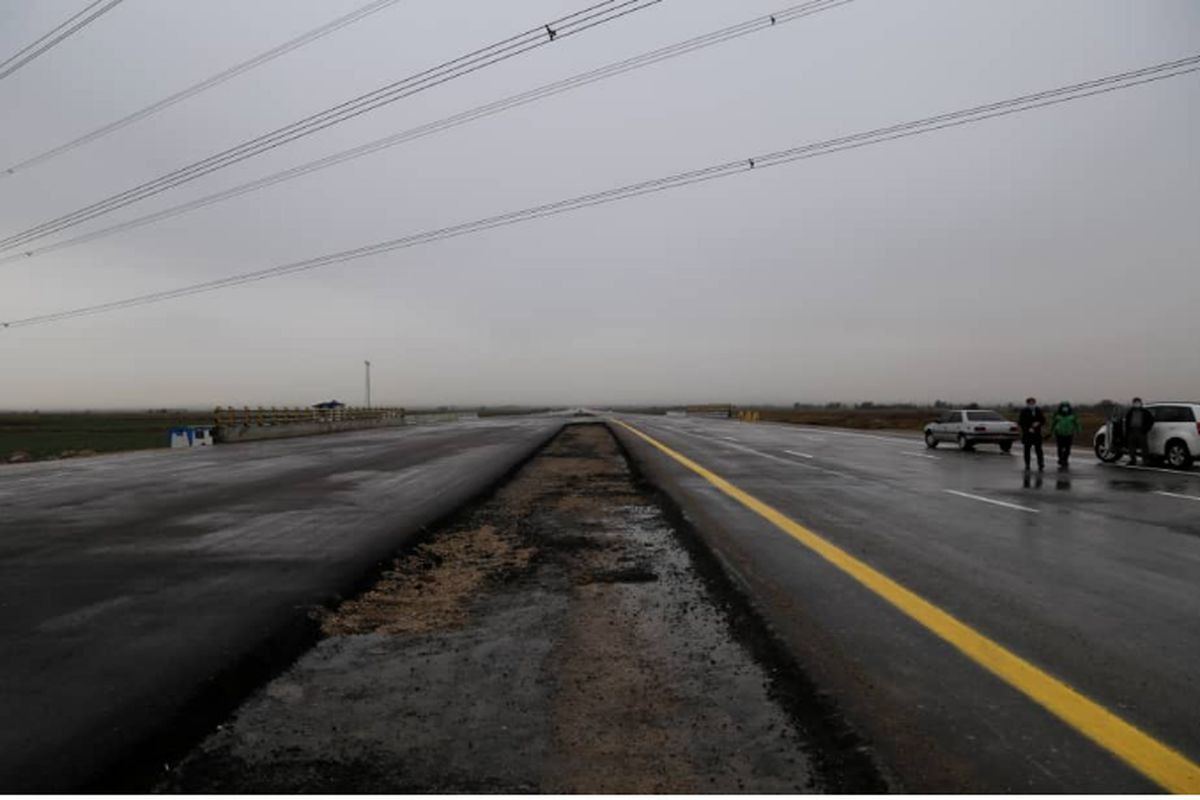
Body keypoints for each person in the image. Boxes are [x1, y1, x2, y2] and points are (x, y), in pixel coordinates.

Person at [1123, 397, 1155, 465]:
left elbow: (1151, 421)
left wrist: (1146, 429)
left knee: (1144, 446)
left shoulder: (1145, 412)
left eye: (1138, 402)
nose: (1136, 404)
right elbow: (1126, 422)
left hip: (1141, 431)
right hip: (1132, 430)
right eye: (1135, 403)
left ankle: (1145, 460)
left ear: (1140, 403)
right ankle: (1132, 460)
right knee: (1131, 446)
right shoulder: (1130, 412)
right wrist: (1127, 431)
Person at [1017, 397, 1046, 471]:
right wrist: (1027, 428)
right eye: (1030, 402)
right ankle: (1027, 464)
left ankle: (1041, 463)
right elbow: (1020, 422)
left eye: (1033, 402)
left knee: (1039, 450)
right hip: (1027, 434)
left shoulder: (1038, 410)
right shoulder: (1024, 411)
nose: (1032, 404)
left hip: (1037, 433)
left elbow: (1043, 420)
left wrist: (1038, 423)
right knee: (1027, 450)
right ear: (1027, 403)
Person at [1051, 401, 1082, 468]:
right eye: (1063, 407)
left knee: (1068, 448)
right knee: (1060, 447)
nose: (1065, 408)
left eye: (1066, 407)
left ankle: (1065, 459)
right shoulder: (1057, 415)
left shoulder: (1072, 415)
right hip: (1059, 434)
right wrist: (1051, 432)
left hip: (1069, 433)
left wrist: (1078, 430)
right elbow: (1053, 424)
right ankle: (1061, 458)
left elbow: (1077, 423)